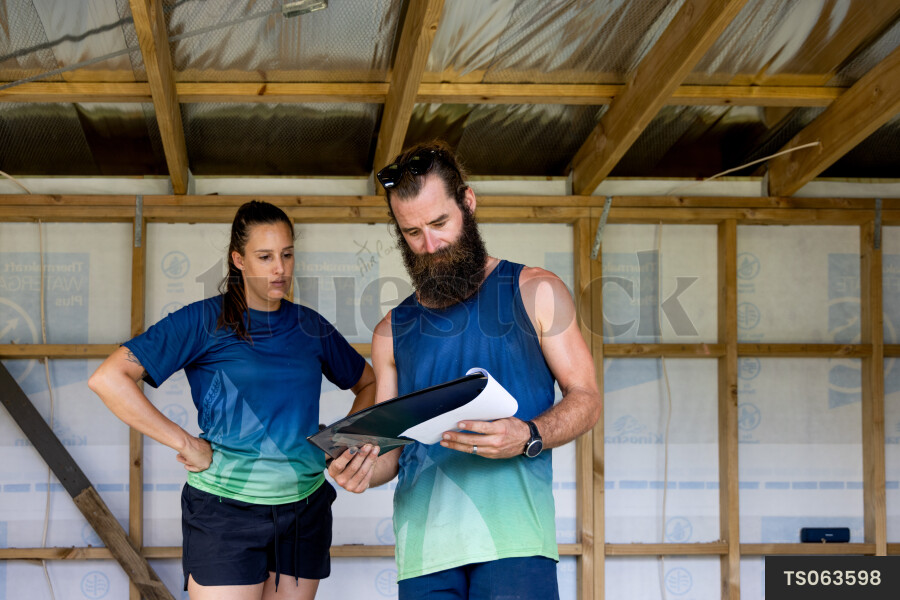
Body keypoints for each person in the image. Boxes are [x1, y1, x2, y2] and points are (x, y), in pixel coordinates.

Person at [329, 142, 602, 599]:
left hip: (515, 542)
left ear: (468, 203)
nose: (430, 245)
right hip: (424, 551)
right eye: (412, 232)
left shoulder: (536, 291)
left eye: (440, 223)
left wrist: (529, 435)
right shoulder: (389, 332)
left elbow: (587, 398)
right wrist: (355, 469)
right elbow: (390, 456)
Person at [89, 200, 375, 600]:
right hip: (225, 512)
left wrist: (341, 440)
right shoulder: (204, 320)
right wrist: (186, 444)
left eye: (287, 254)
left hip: (303, 510)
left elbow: (368, 383)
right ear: (238, 259)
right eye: (265, 256)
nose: (280, 269)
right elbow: (109, 378)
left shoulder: (311, 326)